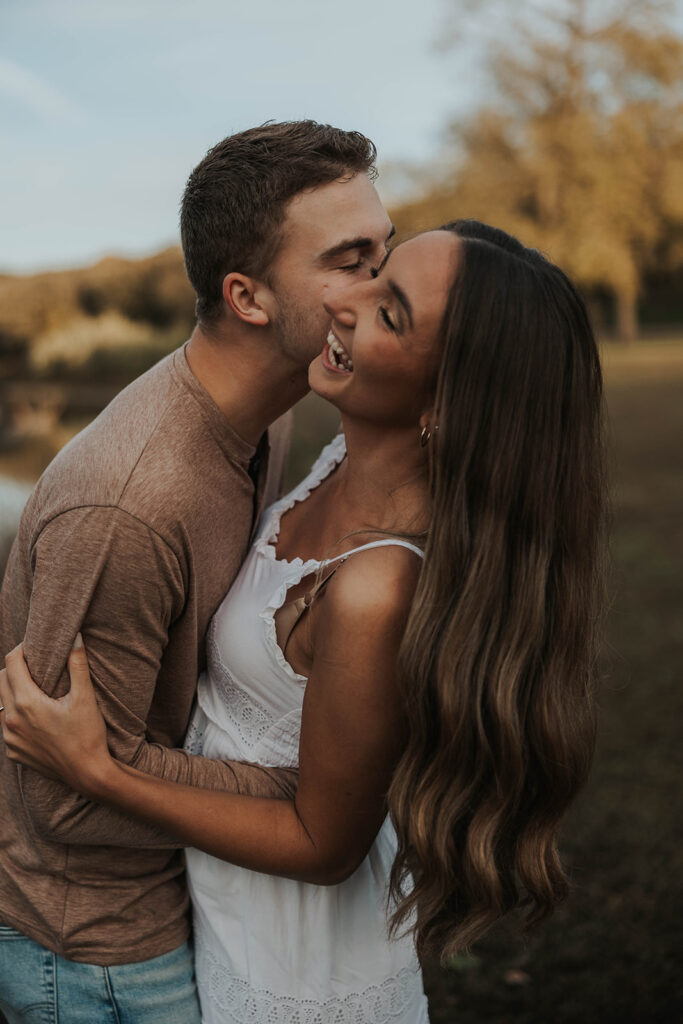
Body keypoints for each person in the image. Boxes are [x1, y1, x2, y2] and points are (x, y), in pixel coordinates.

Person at [0, 220, 606, 1022]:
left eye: (390, 313)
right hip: (215, 908)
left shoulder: (374, 587)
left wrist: (102, 772)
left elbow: (325, 845)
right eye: (374, 272)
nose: (344, 300)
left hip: (287, 953)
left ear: (448, 403)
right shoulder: (332, 459)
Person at [0, 120, 393, 1023]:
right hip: (101, 955)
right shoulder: (130, 506)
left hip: (190, 907)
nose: (381, 283)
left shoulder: (270, 410)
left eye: (385, 251)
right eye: (350, 259)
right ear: (247, 297)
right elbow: (58, 794)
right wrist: (321, 789)